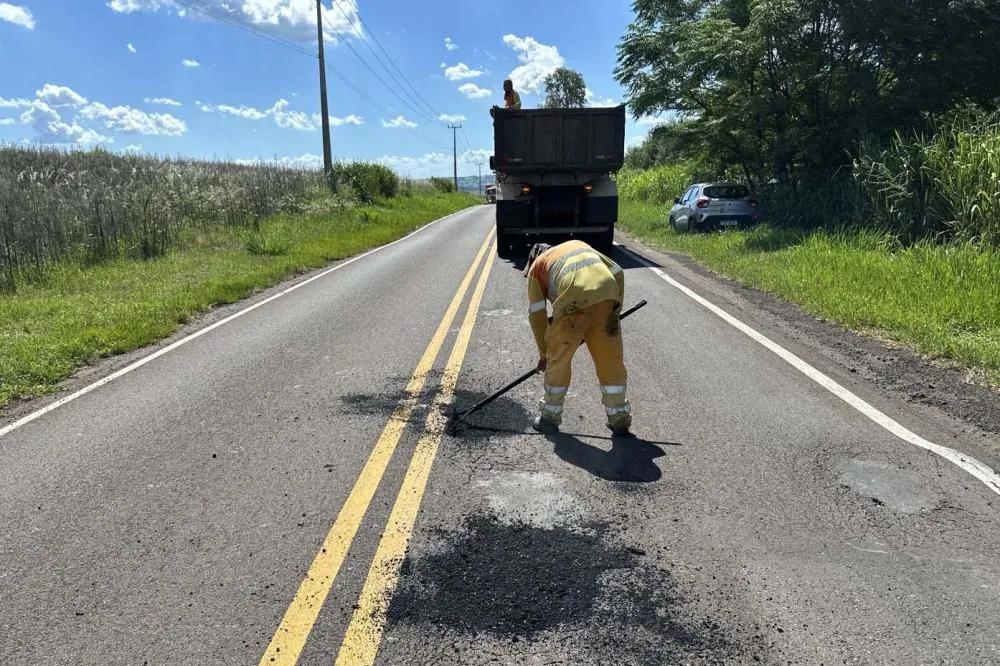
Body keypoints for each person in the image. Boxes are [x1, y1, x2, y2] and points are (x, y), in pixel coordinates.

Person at [523, 240, 632, 436]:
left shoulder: (537, 267)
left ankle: (549, 417)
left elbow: (537, 315)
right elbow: (617, 270)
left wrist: (545, 354)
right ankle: (619, 418)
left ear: (532, 260)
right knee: (610, 362)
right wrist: (615, 309)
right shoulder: (577, 245)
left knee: (559, 361)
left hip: (572, 301)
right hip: (607, 296)